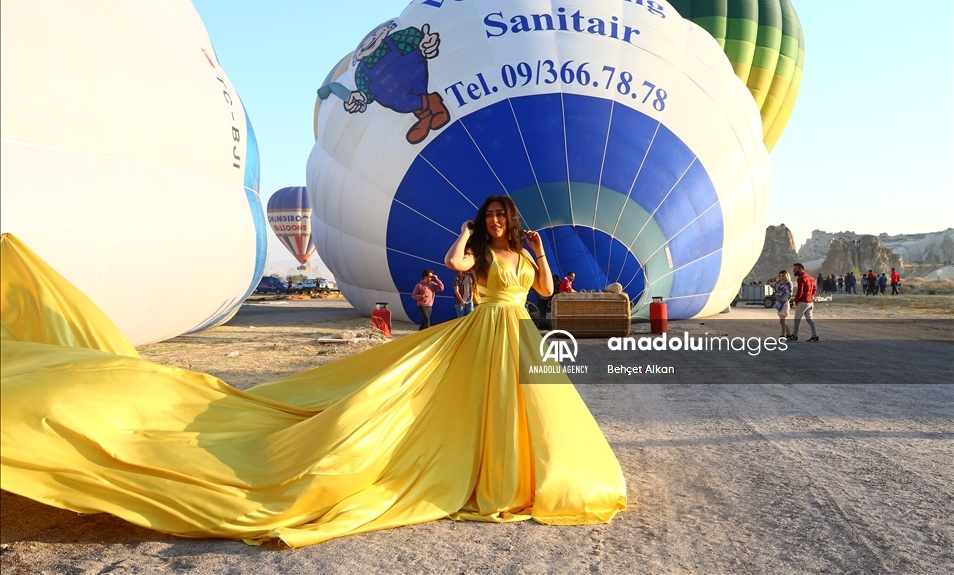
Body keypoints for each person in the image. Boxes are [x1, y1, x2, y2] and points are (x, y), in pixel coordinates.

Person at [0, 201, 625, 549]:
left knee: (533, 409)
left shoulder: (527, 253)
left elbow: (544, 292)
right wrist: (463, 232)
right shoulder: (480, 254)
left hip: (519, 332)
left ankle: (534, 473)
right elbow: (452, 262)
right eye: (486, 218)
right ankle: (489, 472)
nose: (492, 224)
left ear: (510, 220)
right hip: (482, 331)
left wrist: (541, 254)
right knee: (467, 406)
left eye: (496, 218)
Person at [789, 262, 819, 342]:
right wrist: (810, 296)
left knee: (797, 319)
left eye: (795, 269)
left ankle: (794, 336)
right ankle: (815, 335)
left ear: (801, 269)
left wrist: (796, 300)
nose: (793, 271)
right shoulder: (811, 278)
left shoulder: (801, 278)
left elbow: (800, 291)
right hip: (810, 302)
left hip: (802, 302)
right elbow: (815, 289)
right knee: (810, 319)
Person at [771, 270, 793, 339]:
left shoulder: (788, 283)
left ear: (786, 276)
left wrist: (779, 294)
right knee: (782, 321)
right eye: (780, 276)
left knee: (782, 321)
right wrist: (774, 281)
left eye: (783, 276)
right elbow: (773, 286)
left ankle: (783, 335)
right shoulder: (779, 283)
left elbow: (788, 294)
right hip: (779, 302)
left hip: (785, 303)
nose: (781, 277)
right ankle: (789, 335)